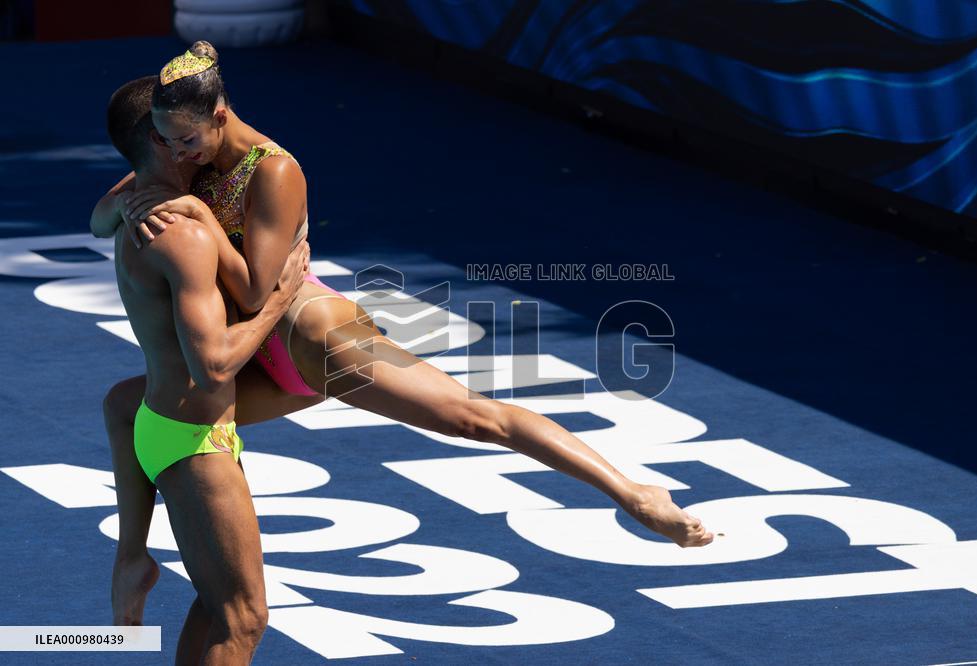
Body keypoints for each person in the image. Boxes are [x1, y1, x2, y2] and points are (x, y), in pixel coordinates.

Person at [93, 43, 713, 629]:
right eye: (168, 145)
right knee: (130, 407)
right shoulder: (184, 146)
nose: (180, 156)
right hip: (260, 350)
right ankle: (131, 560)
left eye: (186, 142)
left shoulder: (274, 171)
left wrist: (199, 213)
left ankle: (634, 493)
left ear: (219, 116)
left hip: (314, 338)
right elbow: (99, 216)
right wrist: (128, 204)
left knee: (473, 419)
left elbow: (259, 292)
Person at [102, 75, 312, 663]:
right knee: (243, 618)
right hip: (195, 441)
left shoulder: (131, 208)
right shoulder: (186, 237)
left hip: (168, 423)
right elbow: (216, 364)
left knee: (214, 603)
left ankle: (132, 561)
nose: (199, 149)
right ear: (163, 143)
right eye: (181, 138)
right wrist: (278, 299)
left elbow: (100, 212)